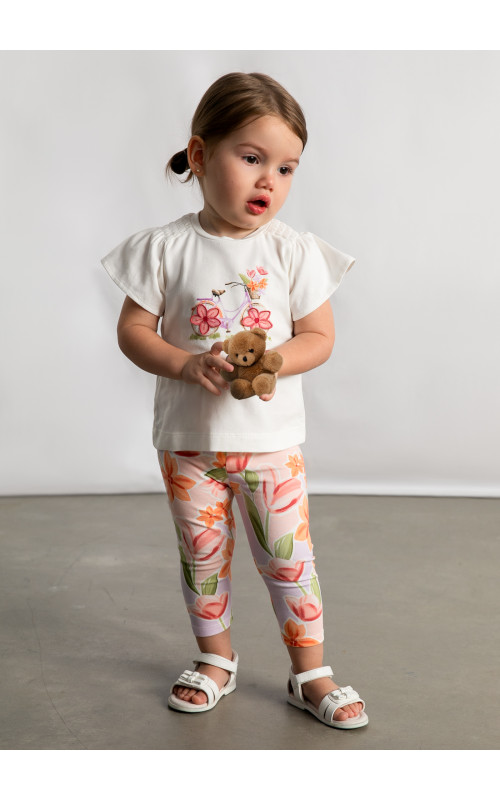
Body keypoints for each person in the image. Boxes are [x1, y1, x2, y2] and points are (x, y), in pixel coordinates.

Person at [101, 72, 368, 730]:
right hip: (189, 446)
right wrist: (185, 363)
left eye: (286, 167)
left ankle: (309, 671)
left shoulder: (292, 251)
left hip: (271, 447)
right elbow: (133, 332)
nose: (268, 180)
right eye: (251, 158)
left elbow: (319, 337)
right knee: (201, 556)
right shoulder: (165, 248)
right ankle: (215, 658)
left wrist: (273, 361)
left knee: (288, 557)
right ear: (199, 155)